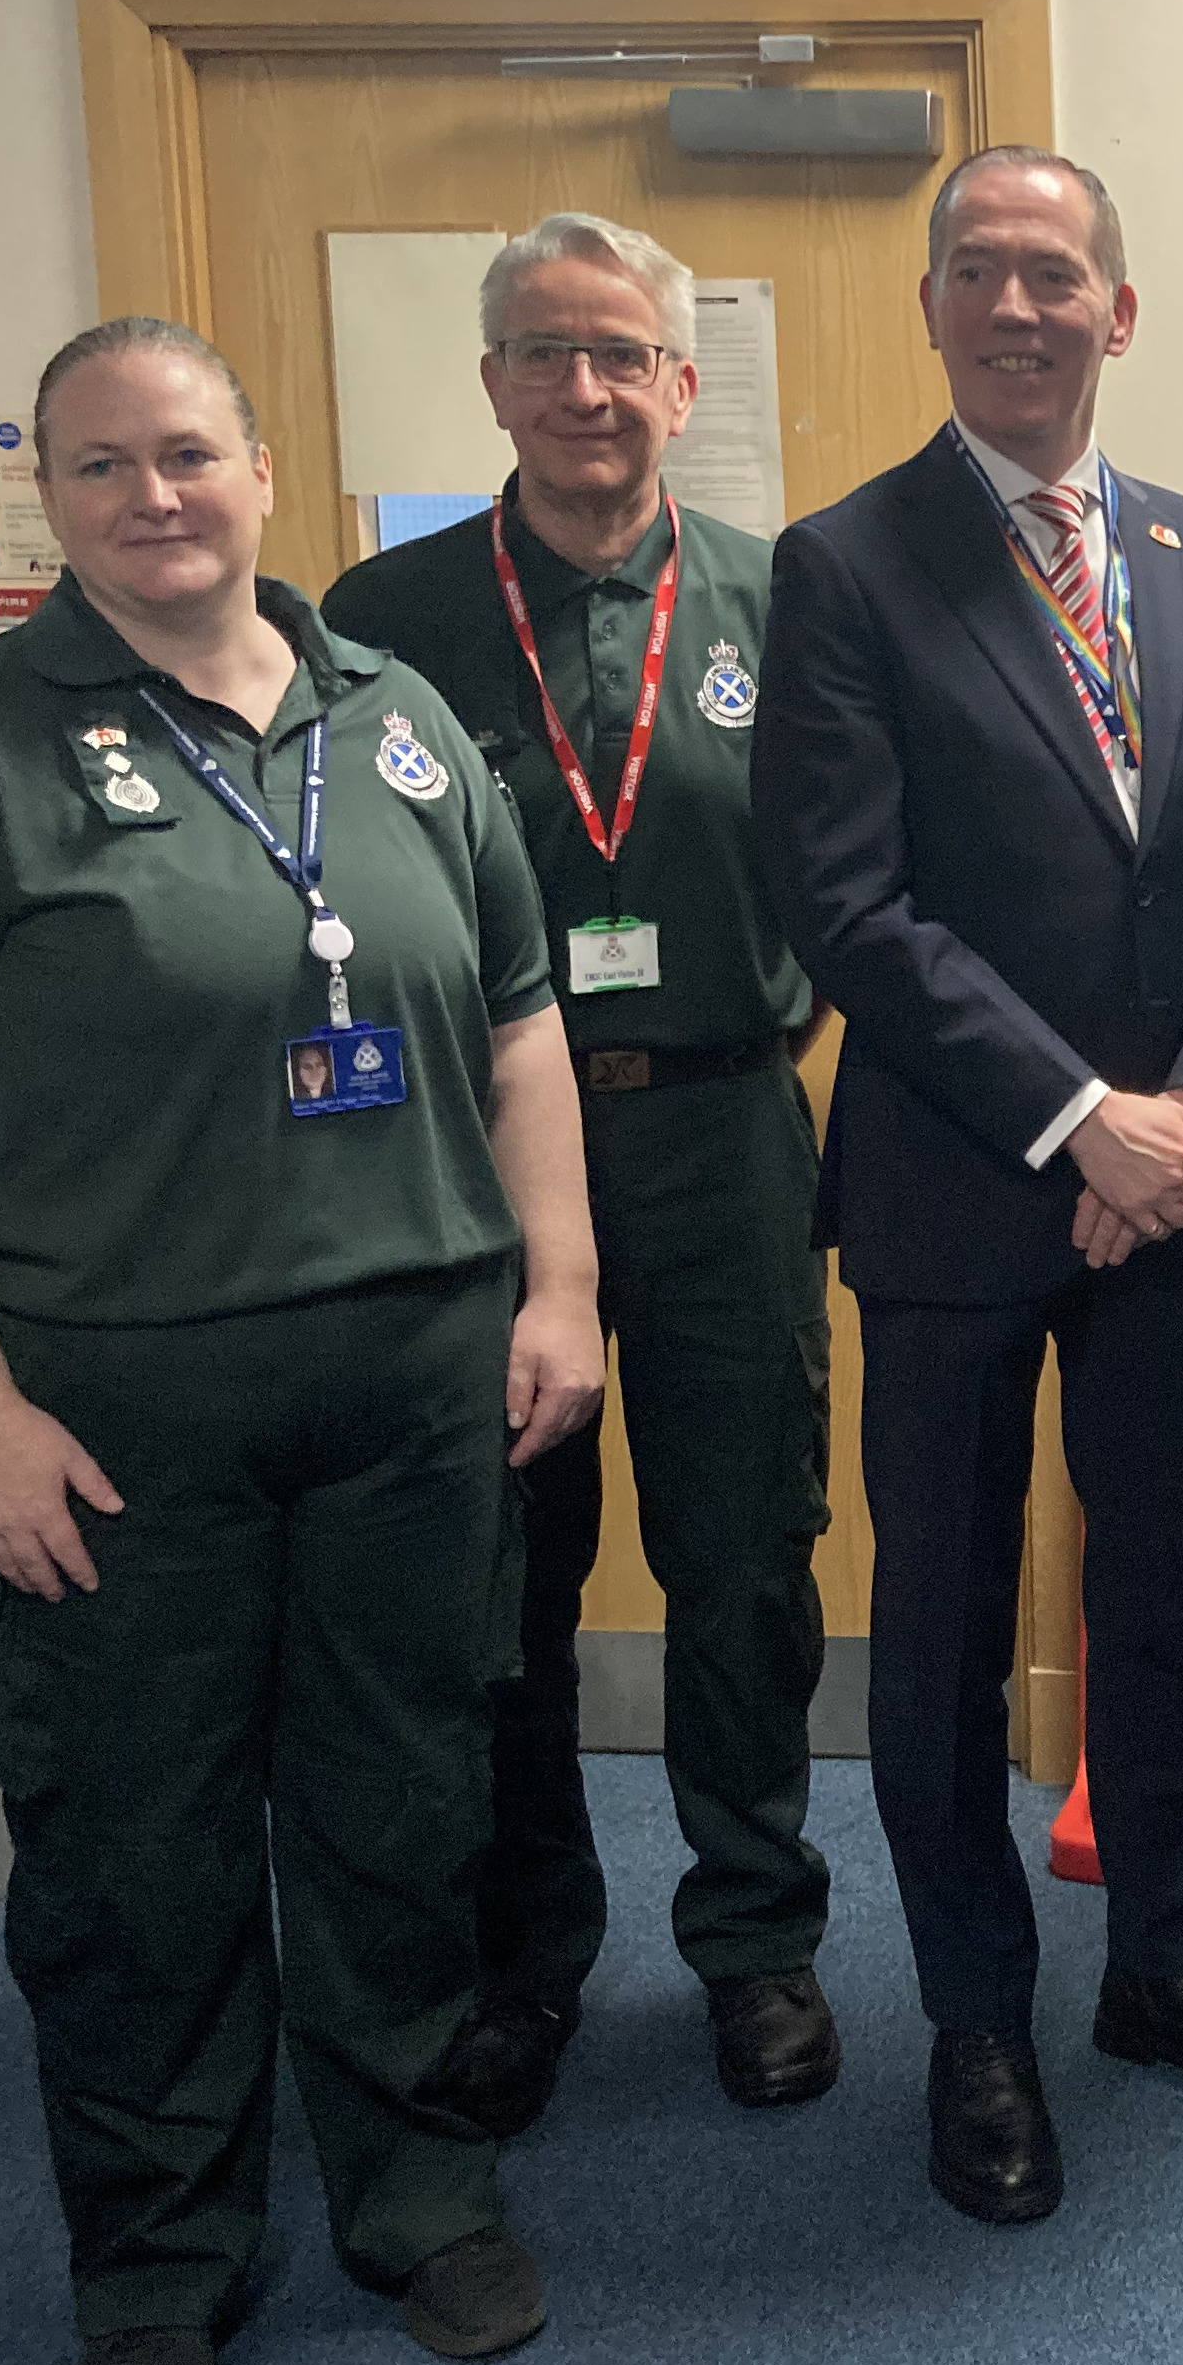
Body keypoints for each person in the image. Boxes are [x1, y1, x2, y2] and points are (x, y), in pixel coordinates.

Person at [0, 319, 603, 2365]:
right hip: (112, 1419)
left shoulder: (398, 721)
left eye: (187, 456)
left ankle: (419, 2197)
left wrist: (563, 1291)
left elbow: (521, 1032)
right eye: (99, 469)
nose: (153, 499)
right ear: (47, 500)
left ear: (262, 468)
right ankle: (155, 2262)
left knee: (405, 1809)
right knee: (132, 1856)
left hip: (419, 1393)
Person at [755, 144, 1183, 2229]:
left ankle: (1166, 1964)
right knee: (941, 1625)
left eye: (1055, 274)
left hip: (1177, 1187)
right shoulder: (843, 565)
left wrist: (1176, 1117)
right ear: (929, 309)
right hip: (955, 1190)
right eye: (980, 273)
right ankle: (982, 2026)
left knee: (1167, 1578)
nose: (1019, 306)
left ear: (1120, 309)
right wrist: (1075, 1115)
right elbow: (849, 903)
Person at [322, 214, 837, 2138]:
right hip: (468, 1157)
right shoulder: (377, 622)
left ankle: (759, 1936)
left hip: (717, 1128)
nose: (586, 388)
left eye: (622, 353)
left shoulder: (791, 601)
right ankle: (526, 1953)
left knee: (744, 1552)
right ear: (491, 388)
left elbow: (853, 873)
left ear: (682, 388)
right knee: (501, 1576)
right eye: (545, 353)